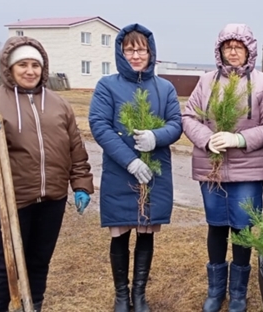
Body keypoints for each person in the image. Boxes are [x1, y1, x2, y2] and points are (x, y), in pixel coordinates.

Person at [0, 36, 93, 312]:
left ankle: (33, 308)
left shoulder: (59, 104)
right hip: (11, 200)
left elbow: (75, 149)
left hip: (52, 199)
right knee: (6, 266)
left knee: (39, 262)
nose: (30, 71)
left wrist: (80, 184)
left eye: (36, 65)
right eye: (23, 64)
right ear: (10, 67)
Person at [182, 23, 263, 312]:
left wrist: (240, 138)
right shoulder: (207, 81)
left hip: (247, 169)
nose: (233, 52)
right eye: (228, 47)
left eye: (239, 47)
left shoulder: (262, 83)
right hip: (210, 167)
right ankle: (215, 290)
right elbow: (189, 116)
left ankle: (237, 292)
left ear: (249, 50)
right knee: (216, 225)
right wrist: (206, 139)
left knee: (242, 228)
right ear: (220, 50)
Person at [89, 23, 182, 312]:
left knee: (145, 231)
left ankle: (139, 294)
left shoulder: (164, 88)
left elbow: (176, 124)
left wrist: (156, 137)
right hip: (120, 172)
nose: (136, 55)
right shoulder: (108, 86)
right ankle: (121, 295)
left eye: (141, 49)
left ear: (151, 52)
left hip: (154, 171)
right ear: (120, 52)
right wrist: (129, 160)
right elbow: (100, 125)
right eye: (130, 49)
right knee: (120, 232)